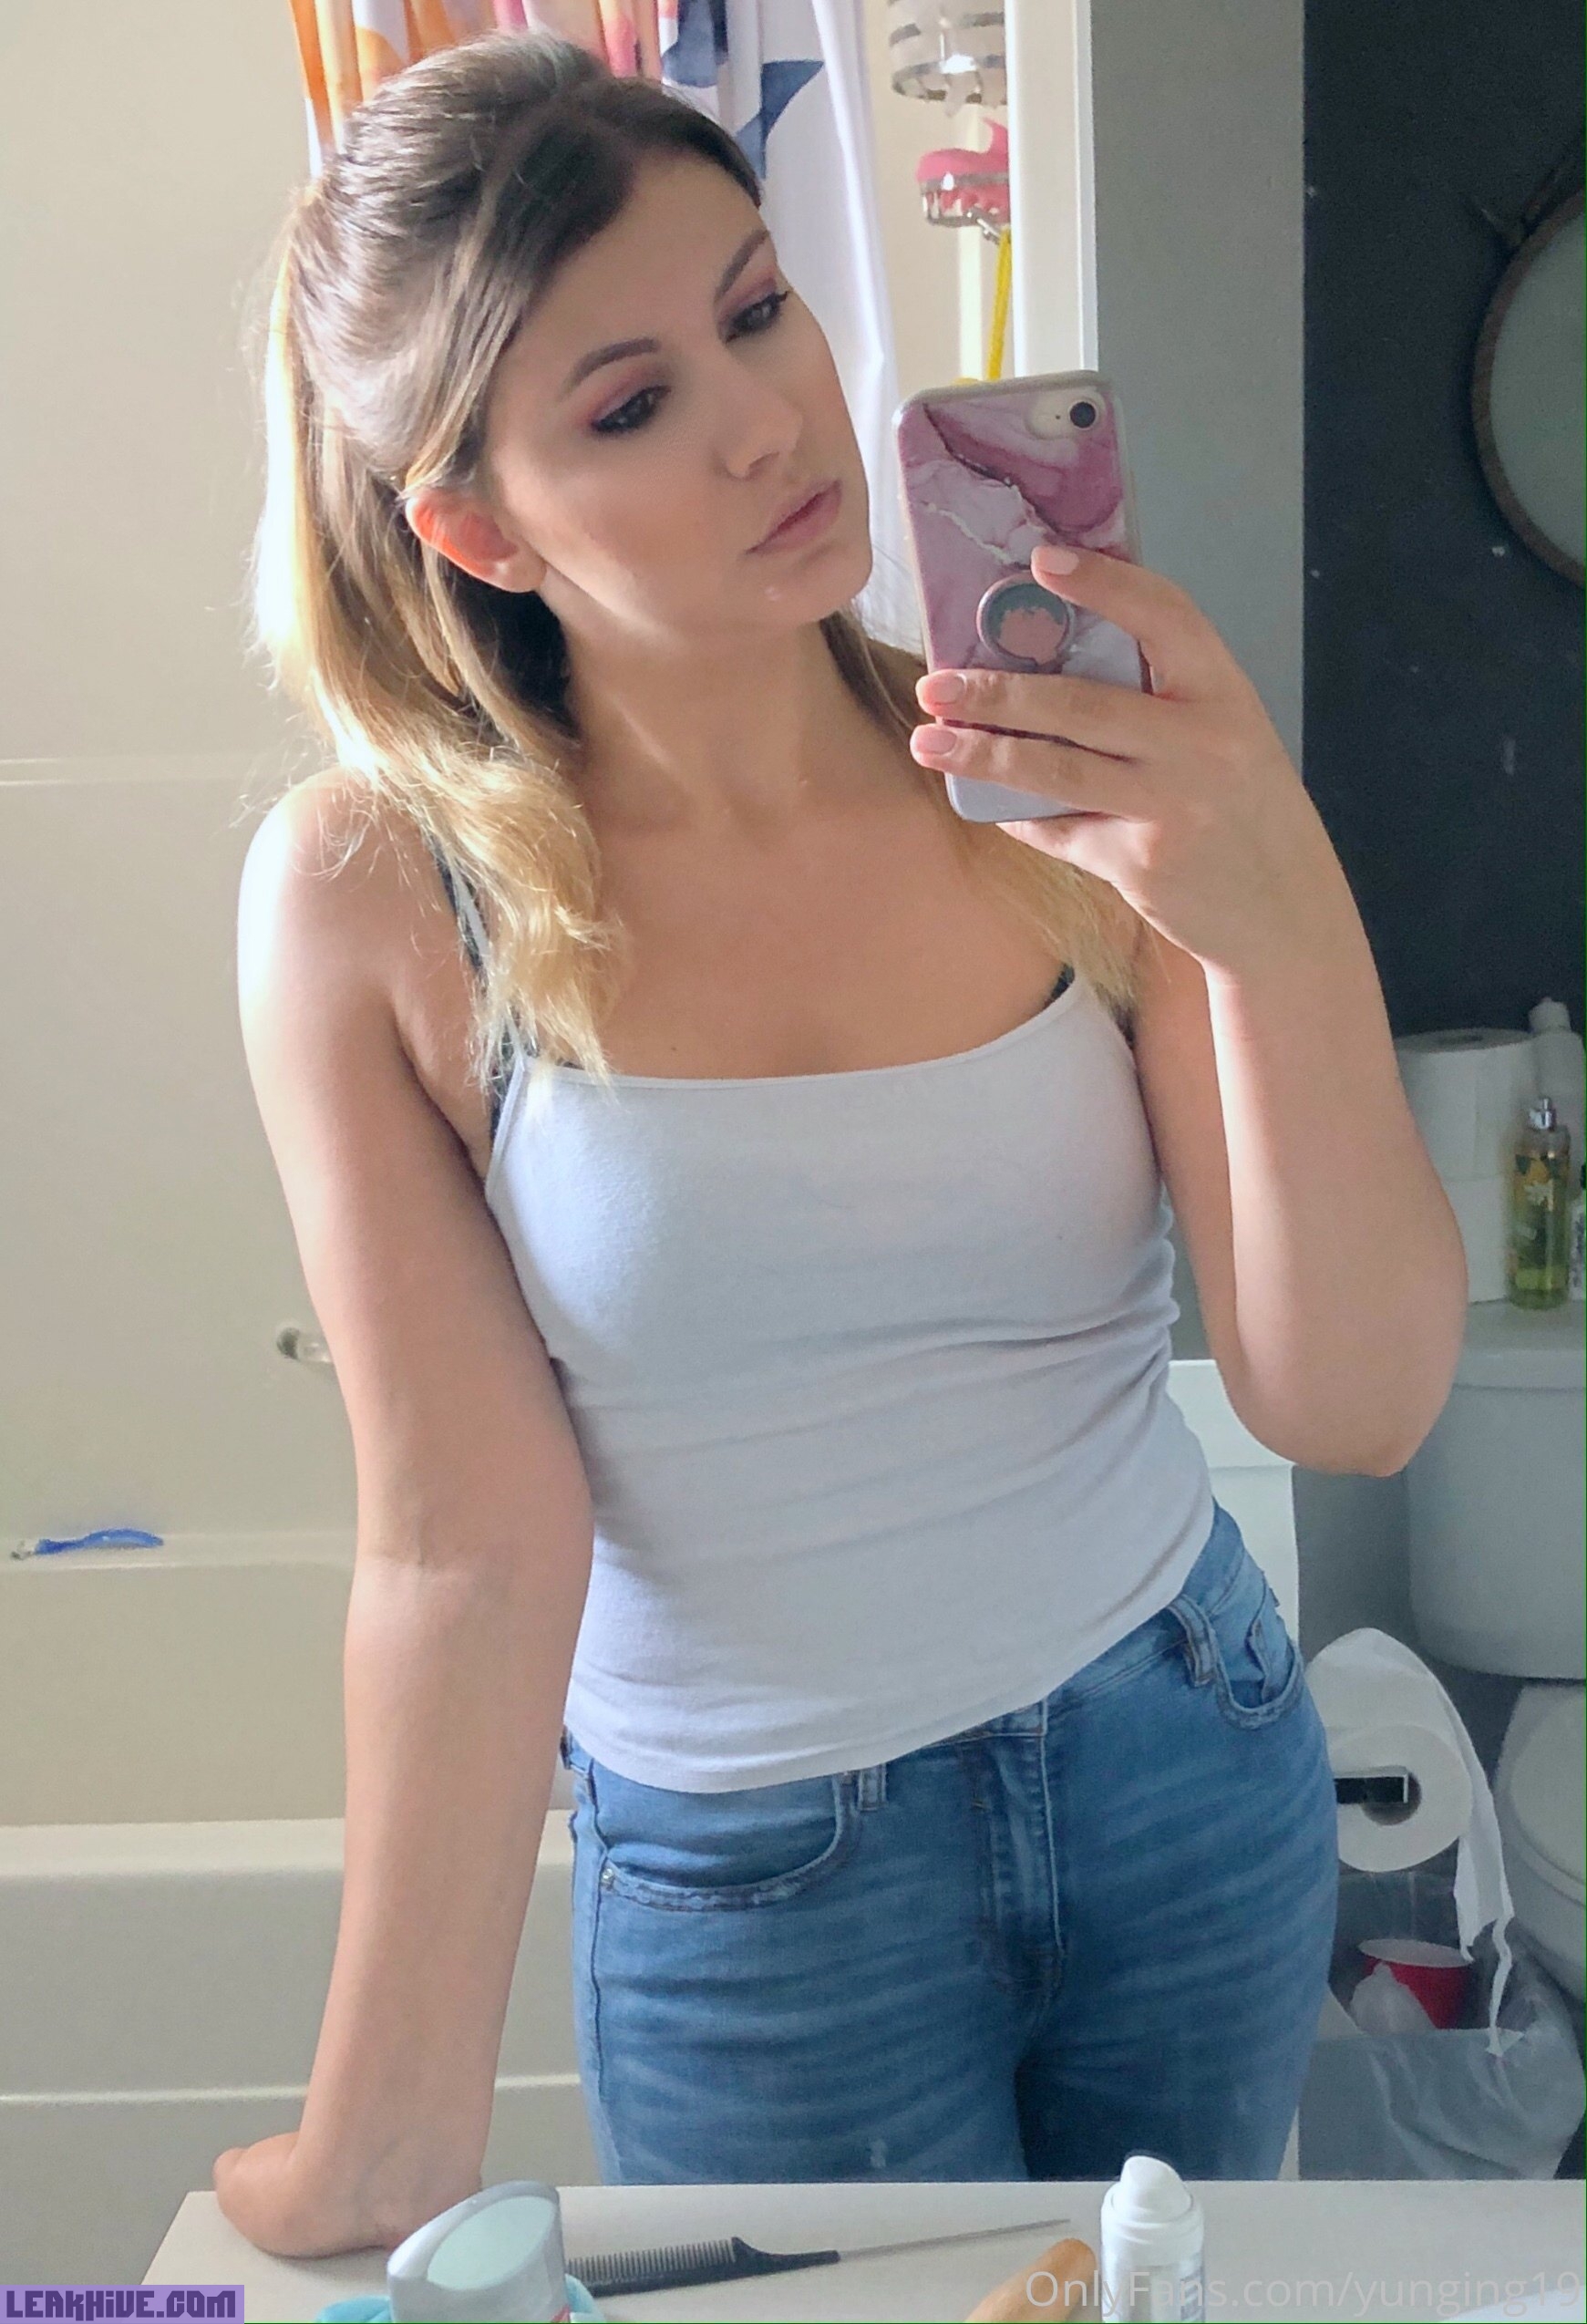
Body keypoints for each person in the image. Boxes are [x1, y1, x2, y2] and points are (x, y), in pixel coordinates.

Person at [213, 27, 1467, 2261]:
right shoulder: (378, 899)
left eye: (756, 310)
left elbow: (1350, 1399)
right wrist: (383, 2132)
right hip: (758, 1878)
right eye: (630, 405)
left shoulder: (1059, 776)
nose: (765, 420)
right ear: (474, 525)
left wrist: (1267, 886)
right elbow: (466, 1547)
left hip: (1186, 1757)